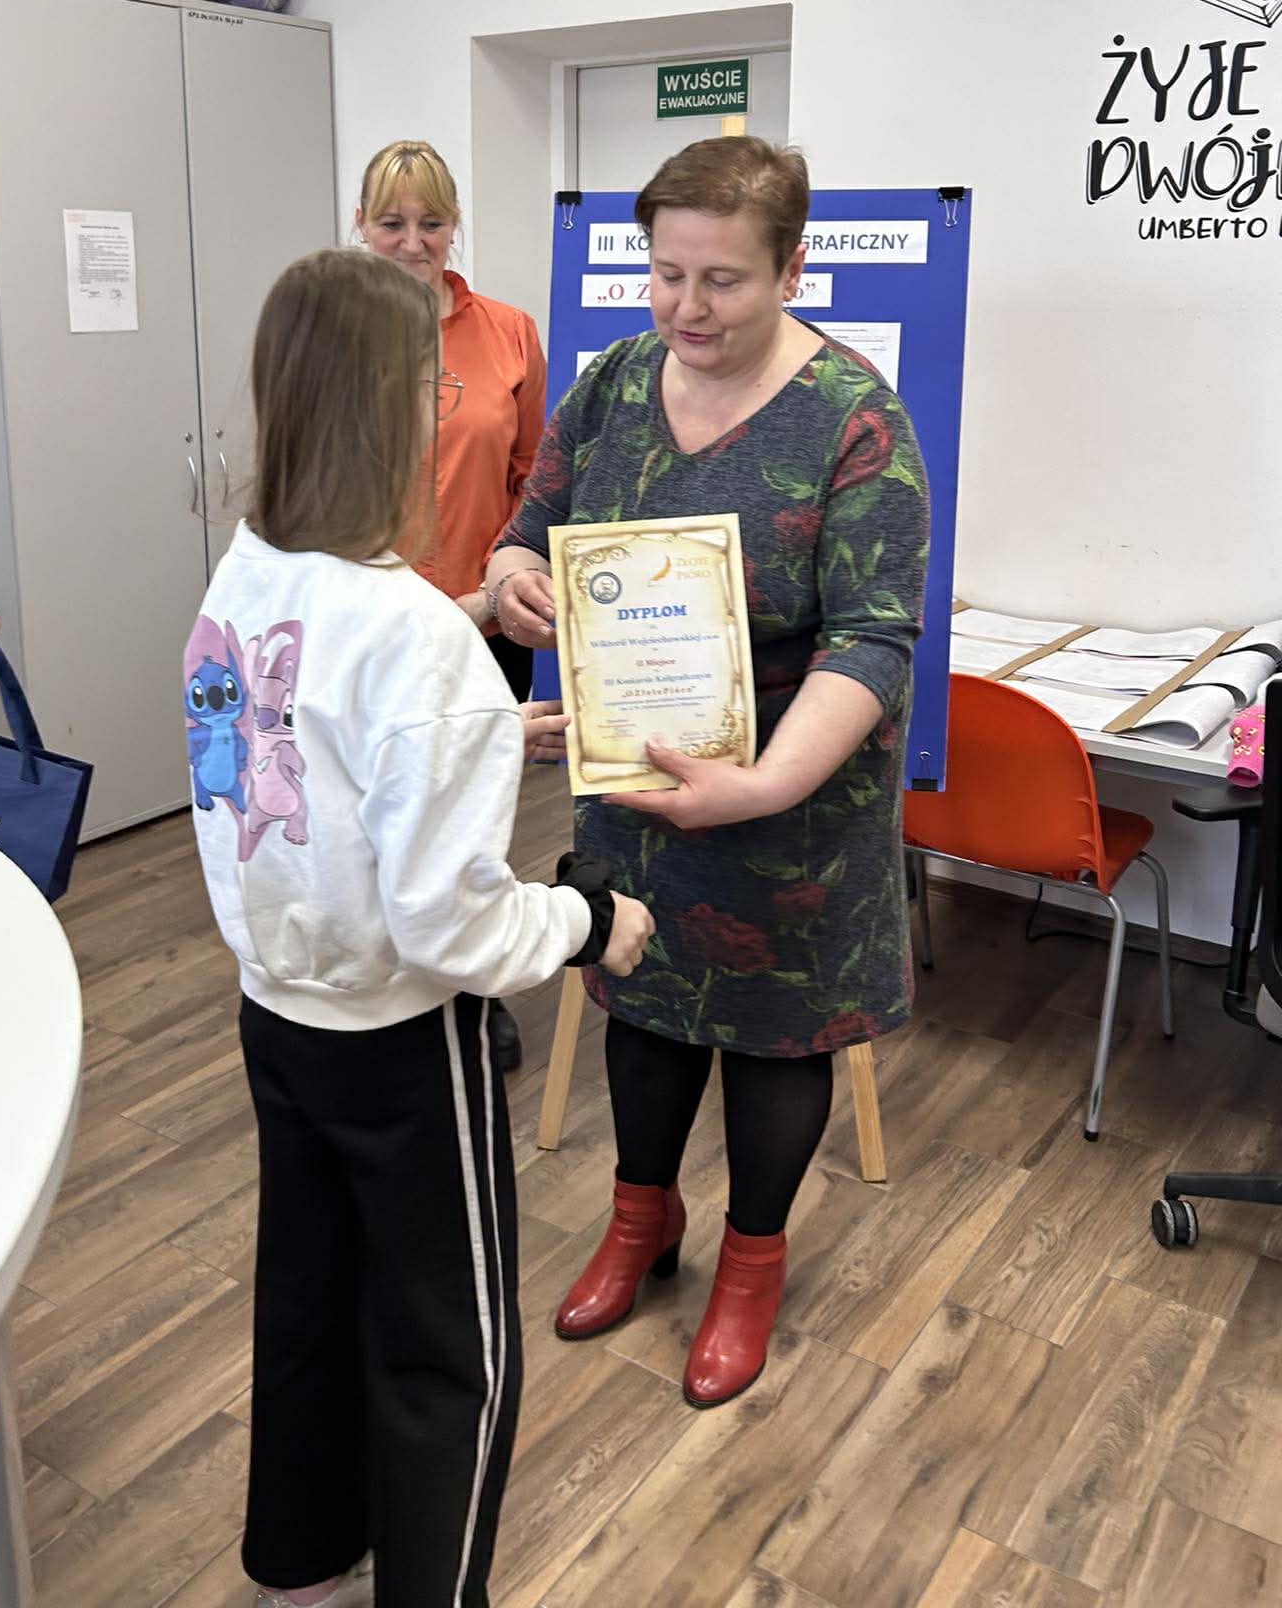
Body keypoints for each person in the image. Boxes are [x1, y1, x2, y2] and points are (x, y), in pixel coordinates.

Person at [186, 248, 653, 1608]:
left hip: (278, 1011)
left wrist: (481, 705)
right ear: (401, 409)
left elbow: (307, 720)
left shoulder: (243, 574)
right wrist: (588, 922)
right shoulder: (418, 643)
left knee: (310, 1291)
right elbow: (455, 927)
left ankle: (301, 1562)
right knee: (456, 1345)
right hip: (400, 1043)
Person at [484, 136, 930, 1410]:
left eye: (723, 279)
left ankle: (750, 1260)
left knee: (778, 1034)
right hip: (636, 779)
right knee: (639, 993)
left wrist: (769, 783)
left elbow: (874, 636)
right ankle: (642, 1219)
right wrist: (516, 583)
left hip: (794, 801)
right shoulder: (616, 382)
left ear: (792, 268)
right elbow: (528, 530)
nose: (686, 306)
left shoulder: (855, 419)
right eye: (665, 272)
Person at [354, 139, 549, 1073]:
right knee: (377, 808)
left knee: (473, 812)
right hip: (368, 626)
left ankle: (476, 987)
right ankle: (384, 982)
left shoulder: (507, 331)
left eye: (431, 222)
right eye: (392, 222)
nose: (413, 241)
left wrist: (496, 590)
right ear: (361, 226)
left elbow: (535, 478)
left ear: (454, 225)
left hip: (483, 618)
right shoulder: (339, 335)